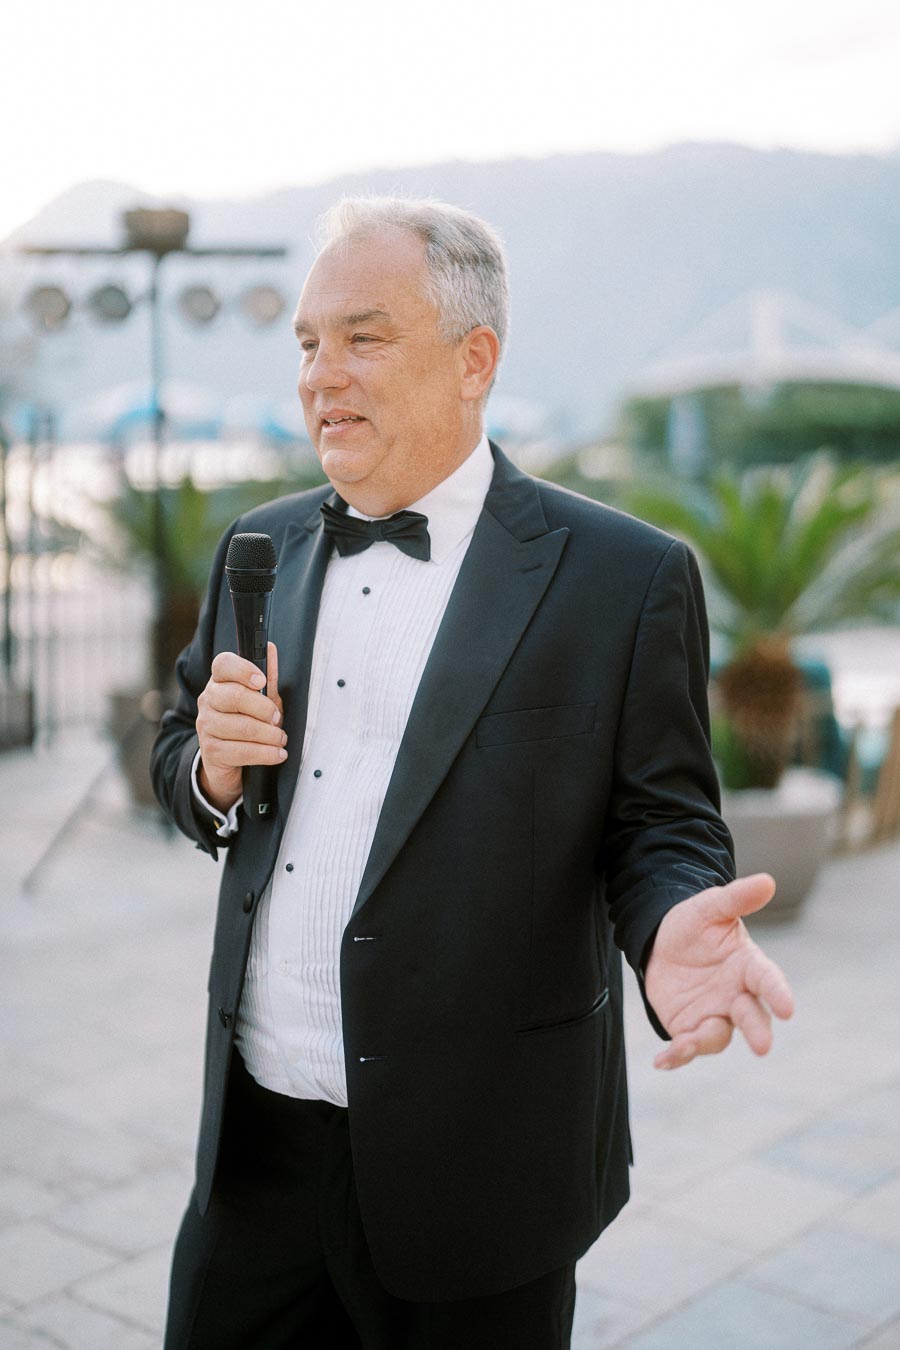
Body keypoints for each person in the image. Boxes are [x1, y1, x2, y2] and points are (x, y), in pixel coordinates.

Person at [152, 197, 794, 1349]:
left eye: (362, 336)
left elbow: (661, 822)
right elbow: (178, 755)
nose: (321, 375)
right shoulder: (261, 545)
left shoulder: (623, 577)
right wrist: (207, 767)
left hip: (483, 1167)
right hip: (254, 1158)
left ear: (473, 360)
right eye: (307, 343)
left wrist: (670, 927)